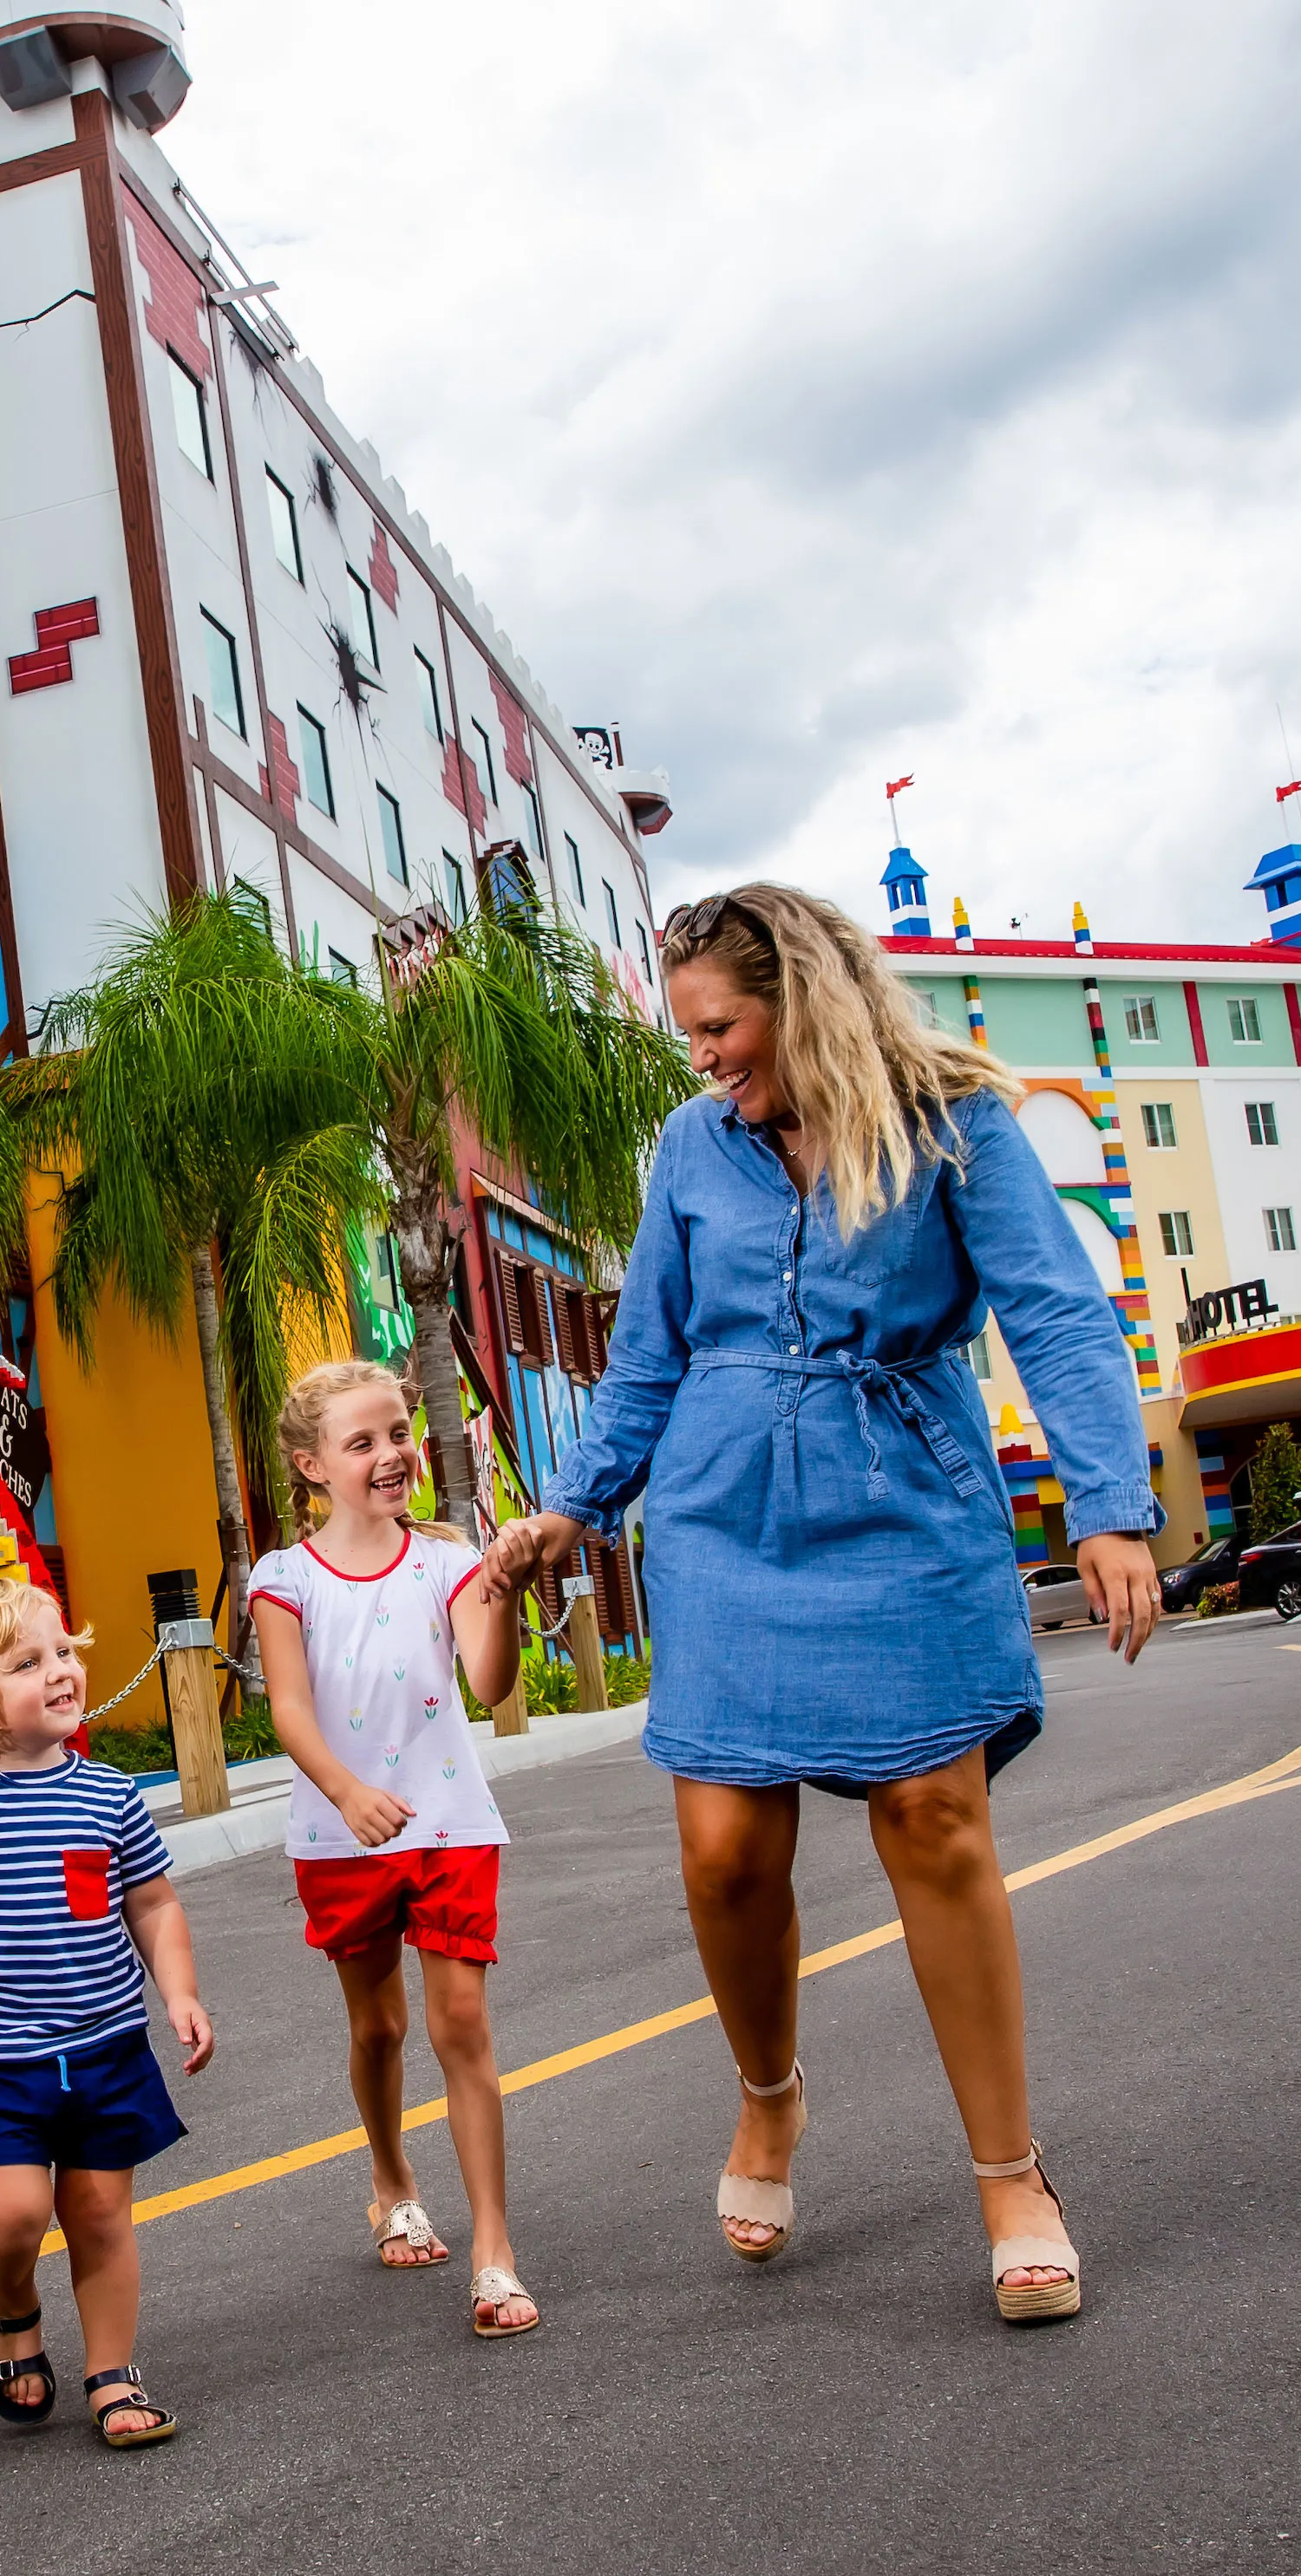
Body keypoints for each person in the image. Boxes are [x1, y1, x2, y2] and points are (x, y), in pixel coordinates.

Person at [484, 884, 1159, 2325]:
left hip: (901, 1493)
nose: (706, 1060)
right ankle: (769, 2095)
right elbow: (648, 1357)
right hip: (726, 1505)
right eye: (691, 1036)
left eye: (720, 1028)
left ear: (801, 997)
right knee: (725, 1848)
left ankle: (1010, 2178)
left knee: (935, 1821)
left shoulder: (954, 1124)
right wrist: (577, 1504)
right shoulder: (688, 1148)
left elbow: (1052, 1308)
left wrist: (1109, 1505)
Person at [0, 1577, 213, 2449]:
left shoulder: (108, 1792)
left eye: (64, 1651)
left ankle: (112, 2372)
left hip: (108, 2044)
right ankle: (13, 2304)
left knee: (99, 2212)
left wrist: (178, 1990)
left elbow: (155, 1904)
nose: (62, 1670)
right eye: (28, 1661)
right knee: (12, 2216)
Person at [250, 1360, 540, 2341]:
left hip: (450, 1820)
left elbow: (491, 1683)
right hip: (343, 1835)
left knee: (463, 2021)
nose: (389, 1455)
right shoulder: (282, 1577)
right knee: (378, 2028)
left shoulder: (448, 1557)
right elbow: (289, 1708)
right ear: (312, 1464)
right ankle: (390, 2176)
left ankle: (494, 2249)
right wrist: (346, 1789)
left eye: (397, 1435)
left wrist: (502, 1588)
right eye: (362, 1441)